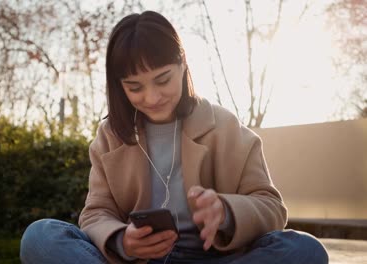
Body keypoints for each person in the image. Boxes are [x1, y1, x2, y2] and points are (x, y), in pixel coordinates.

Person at [20, 10, 329, 264]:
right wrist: (123, 241)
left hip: (214, 259)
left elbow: (271, 207)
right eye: (135, 87)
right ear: (120, 87)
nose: (152, 97)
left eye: (162, 79)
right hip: (139, 262)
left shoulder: (225, 126)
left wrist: (226, 212)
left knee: (305, 251)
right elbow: (96, 212)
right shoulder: (109, 136)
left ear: (182, 65)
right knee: (41, 236)